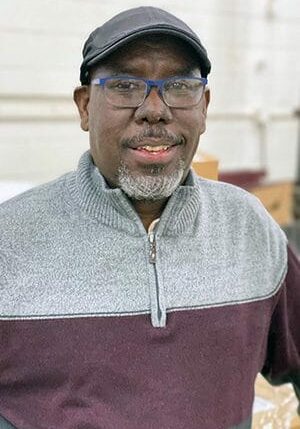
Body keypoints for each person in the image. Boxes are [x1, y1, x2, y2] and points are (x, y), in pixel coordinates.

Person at [0, 6, 299, 429]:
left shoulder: (248, 228)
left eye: (179, 86)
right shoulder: (9, 240)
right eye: (125, 85)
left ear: (205, 106)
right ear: (85, 107)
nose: (155, 110)